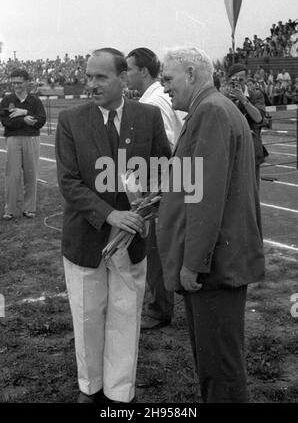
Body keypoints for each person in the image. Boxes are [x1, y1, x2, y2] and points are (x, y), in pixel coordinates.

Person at [55, 48, 171, 404]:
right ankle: (90, 387)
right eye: (89, 76)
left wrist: (146, 209)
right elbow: (69, 182)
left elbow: (164, 172)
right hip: (86, 238)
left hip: (132, 239)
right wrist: (110, 215)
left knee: (125, 314)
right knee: (88, 316)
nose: (92, 84)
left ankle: (120, 393)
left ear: (123, 78)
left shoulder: (148, 116)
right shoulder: (71, 119)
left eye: (101, 77)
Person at [156, 46, 265, 403]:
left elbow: (207, 196)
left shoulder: (212, 112)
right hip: (218, 261)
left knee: (219, 369)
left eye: (168, 78)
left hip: (214, 266)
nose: (163, 85)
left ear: (191, 74)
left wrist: (193, 263)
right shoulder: (212, 108)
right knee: (215, 362)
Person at [126, 47, 184, 330]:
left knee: (156, 247)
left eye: (130, 70)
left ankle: (160, 307)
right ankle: (160, 303)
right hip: (160, 180)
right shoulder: (154, 97)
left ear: (144, 71)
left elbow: (168, 146)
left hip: (159, 182)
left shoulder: (156, 102)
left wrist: (154, 191)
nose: (126, 75)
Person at [0, 69, 46, 219]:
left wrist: (24, 112)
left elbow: (41, 120)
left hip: (31, 139)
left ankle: (29, 208)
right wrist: (24, 120)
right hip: (13, 139)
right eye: (13, 83)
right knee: (12, 175)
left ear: (26, 82)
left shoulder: (35, 101)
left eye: (19, 83)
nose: (16, 86)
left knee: (31, 175)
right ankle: (10, 209)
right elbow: (6, 121)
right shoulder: (7, 100)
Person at [225, 63, 266, 187]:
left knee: (252, 191)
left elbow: (258, 118)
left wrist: (243, 99)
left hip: (251, 150)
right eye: (235, 80)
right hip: (232, 151)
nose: (239, 83)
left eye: (241, 80)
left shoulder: (256, 96)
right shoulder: (225, 99)